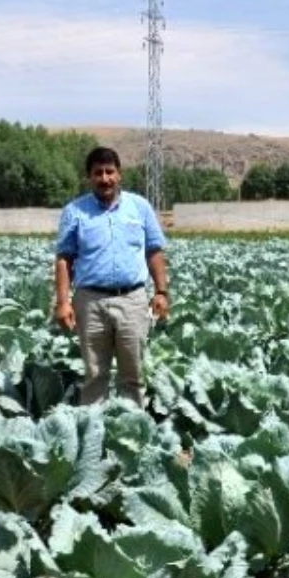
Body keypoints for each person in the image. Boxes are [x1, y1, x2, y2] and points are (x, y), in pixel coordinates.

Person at [53, 146, 170, 406]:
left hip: (132, 300)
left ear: (120, 174)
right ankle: (93, 437)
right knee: (95, 375)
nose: (104, 179)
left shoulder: (140, 207)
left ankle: (135, 429)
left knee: (133, 375)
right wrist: (63, 302)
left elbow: (154, 250)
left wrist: (161, 292)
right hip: (90, 302)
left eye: (110, 172)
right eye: (98, 173)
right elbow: (64, 259)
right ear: (89, 177)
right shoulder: (75, 211)